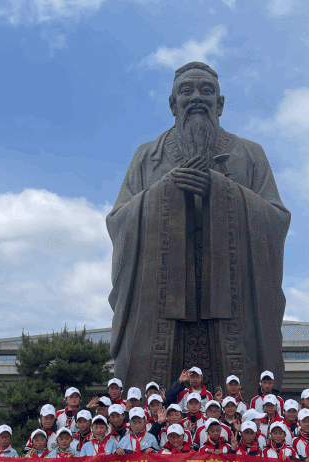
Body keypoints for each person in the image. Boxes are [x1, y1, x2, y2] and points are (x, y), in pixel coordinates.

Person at [106, 61, 290, 395]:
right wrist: (164, 190)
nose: (196, 98)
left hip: (229, 293)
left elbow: (277, 220)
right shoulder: (147, 156)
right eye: (186, 91)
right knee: (154, 391)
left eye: (206, 90)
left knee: (238, 390)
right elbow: (118, 220)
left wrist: (222, 189)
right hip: (163, 295)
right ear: (172, 103)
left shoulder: (249, 154)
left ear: (220, 103)